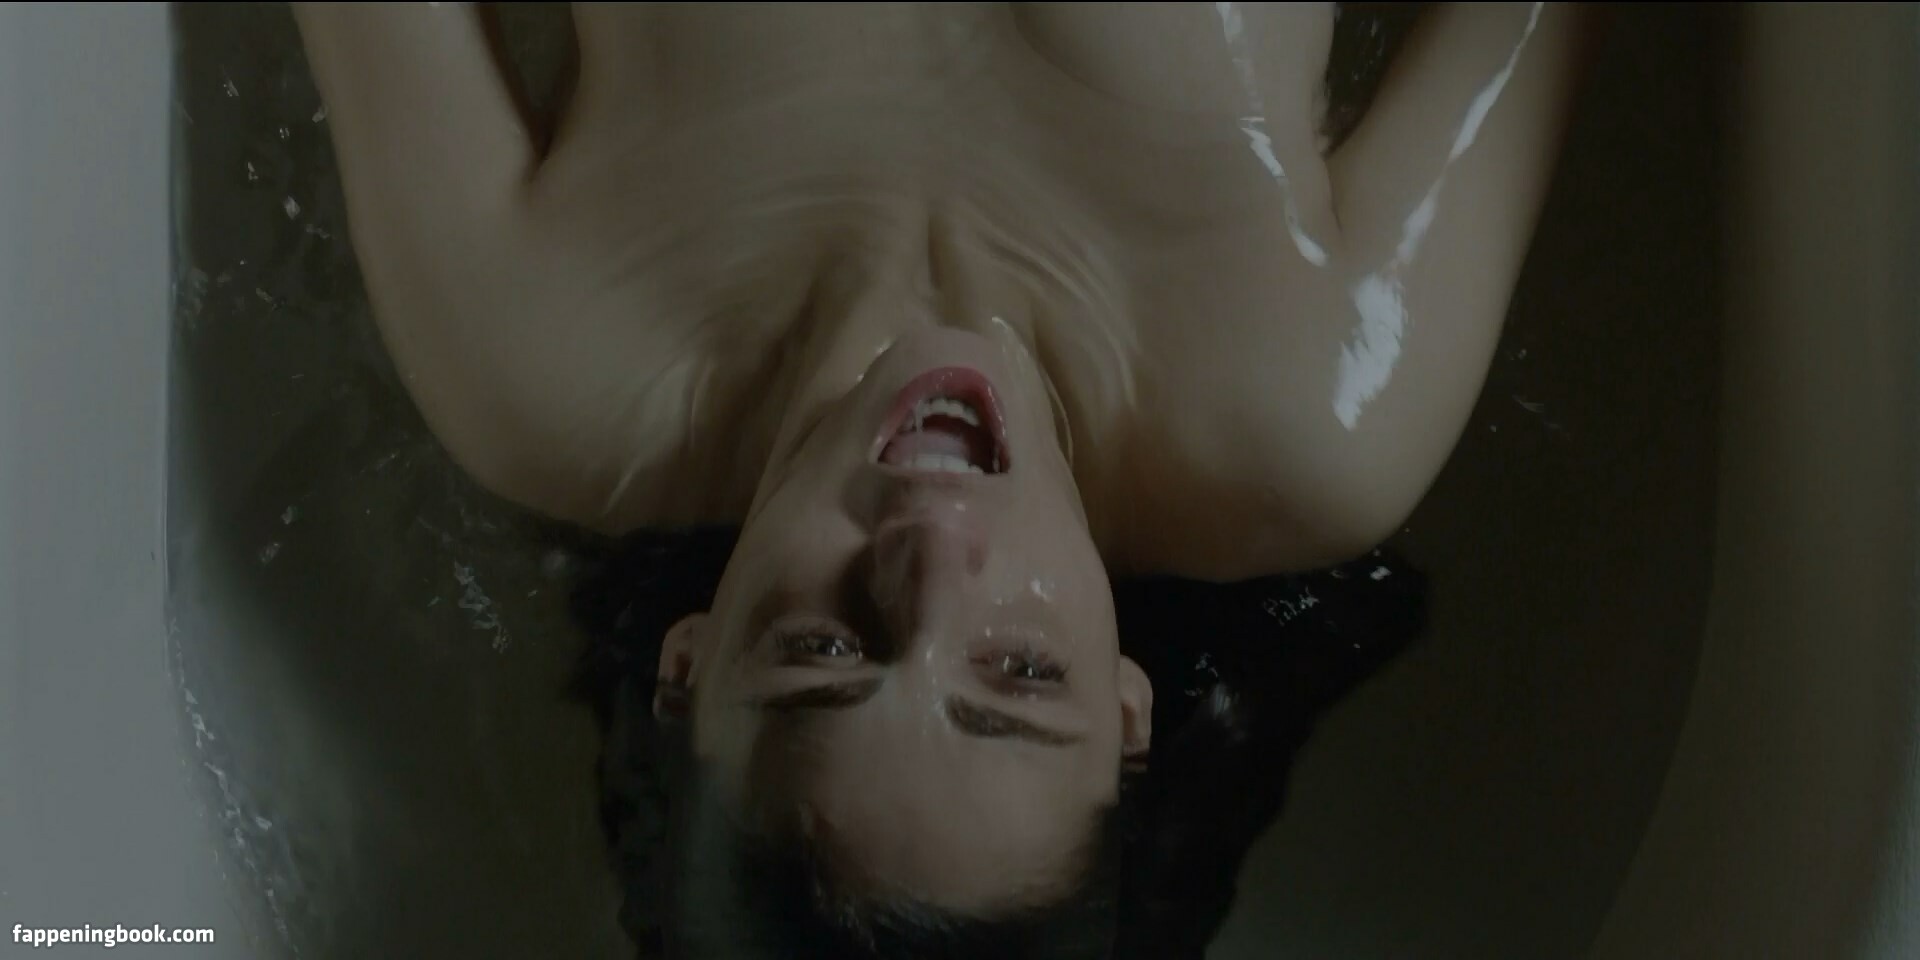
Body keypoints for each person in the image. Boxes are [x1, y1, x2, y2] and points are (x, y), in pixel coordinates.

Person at [293, 4, 1590, 956]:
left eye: (822, 647)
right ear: (1128, 708)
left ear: (686, 668)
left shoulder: (541, 356)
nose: (932, 549)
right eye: (1018, 672)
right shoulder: (1311, 402)